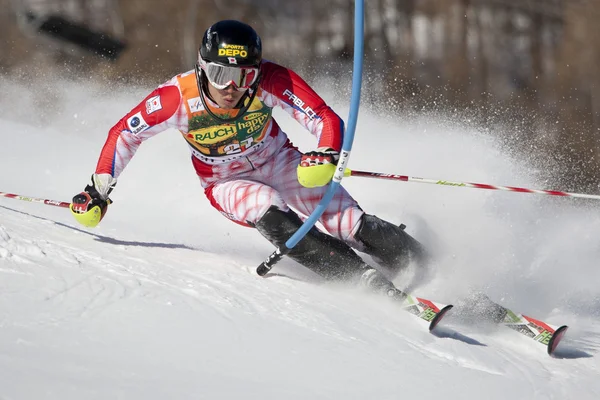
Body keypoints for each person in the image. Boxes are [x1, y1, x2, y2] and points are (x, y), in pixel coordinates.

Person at [70, 19, 427, 298]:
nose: (230, 87)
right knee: (266, 209)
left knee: (346, 221)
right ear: (202, 67)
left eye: (243, 77)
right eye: (219, 74)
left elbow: (323, 116)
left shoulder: (271, 80)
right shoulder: (177, 97)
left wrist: (325, 153)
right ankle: (360, 281)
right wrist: (98, 189)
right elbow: (125, 132)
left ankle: (426, 265)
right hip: (226, 182)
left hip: (280, 161)